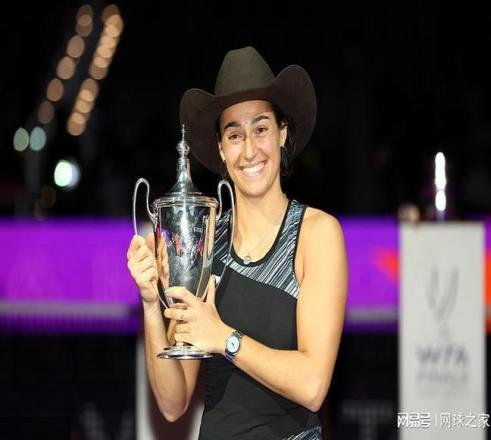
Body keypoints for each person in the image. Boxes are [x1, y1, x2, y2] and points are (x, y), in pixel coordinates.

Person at [127, 46, 348, 439]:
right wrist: (149, 304)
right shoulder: (206, 244)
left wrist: (224, 338)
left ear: (282, 133)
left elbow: (313, 386)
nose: (249, 150)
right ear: (220, 149)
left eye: (261, 129)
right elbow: (173, 404)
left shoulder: (316, 234)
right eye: (234, 135)